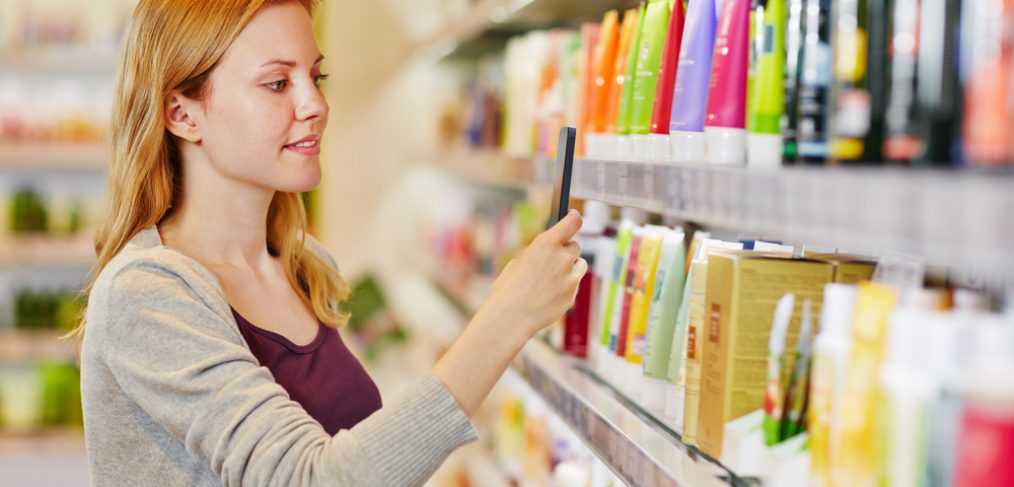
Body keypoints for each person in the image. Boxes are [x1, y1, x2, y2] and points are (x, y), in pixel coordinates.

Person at [73, 0, 588, 485]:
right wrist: (506, 319)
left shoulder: (302, 266)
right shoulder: (144, 294)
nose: (315, 103)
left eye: (315, 76)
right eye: (278, 83)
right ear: (182, 114)